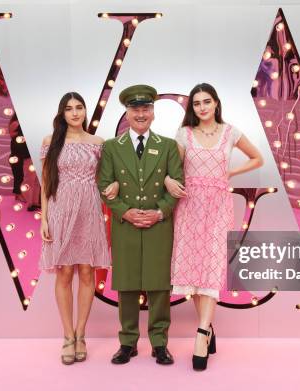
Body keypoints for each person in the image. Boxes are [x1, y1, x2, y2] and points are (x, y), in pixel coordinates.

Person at [165, 83, 264, 370]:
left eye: (207, 102)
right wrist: (170, 181)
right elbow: (173, 168)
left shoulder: (230, 132)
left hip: (218, 206)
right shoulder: (184, 134)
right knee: (193, 270)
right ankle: (207, 328)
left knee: (211, 267)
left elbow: (258, 158)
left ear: (216, 103)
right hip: (189, 206)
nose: (202, 107)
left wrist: (231, 171)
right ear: (192, 108)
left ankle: (200, 333)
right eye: (197, 103)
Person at [97, 84, 184, 366]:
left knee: (159, 286)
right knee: (128, 286)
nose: (141, 113)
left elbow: (177, 187)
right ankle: (127, 343)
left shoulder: (168, 146)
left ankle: (160, 343)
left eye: (146, 108)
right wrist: (126, 212)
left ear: (153, 112)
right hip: (126, 226)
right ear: (127, 112)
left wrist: (160, 213)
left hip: (159, 225)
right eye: (135, 109)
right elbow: (103, 186)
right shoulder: (112, 147)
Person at [39, 92, 117, 365]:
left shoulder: (98, 143)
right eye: (69, 108)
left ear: (85, 111)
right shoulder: (51, 142)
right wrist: (44, 219)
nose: (75, 112)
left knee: (86, 271)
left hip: (89, 210)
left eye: (79, 107)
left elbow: (105, 178)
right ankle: (67, 336)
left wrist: (114, 187)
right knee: (64, 272)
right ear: (62, 113)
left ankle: (81, 334)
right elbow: (46, 182)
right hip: (60, 209)